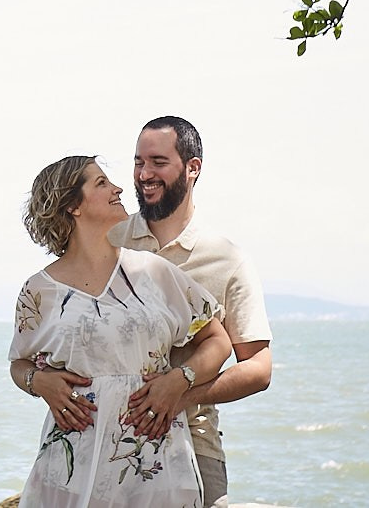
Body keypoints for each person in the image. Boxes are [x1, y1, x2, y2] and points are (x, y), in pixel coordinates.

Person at [7, 155, 233, 508]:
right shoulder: (39, 291)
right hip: (70, 466)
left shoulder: (155, 272)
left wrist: (180, 379)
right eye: (100, 184)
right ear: (72, 206)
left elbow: (218, 341)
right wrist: (38, 382)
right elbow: (18, 363)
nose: (118, 188)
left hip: (153, 460)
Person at [108, 116, 274, 508]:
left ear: (193, 168)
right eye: (138, 162)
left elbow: (260, 366)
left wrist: (182, 395)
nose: (144, 174)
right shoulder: (109, 241)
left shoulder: (227, 259)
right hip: (106, 444)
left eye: (158, 162)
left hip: (196, 448)